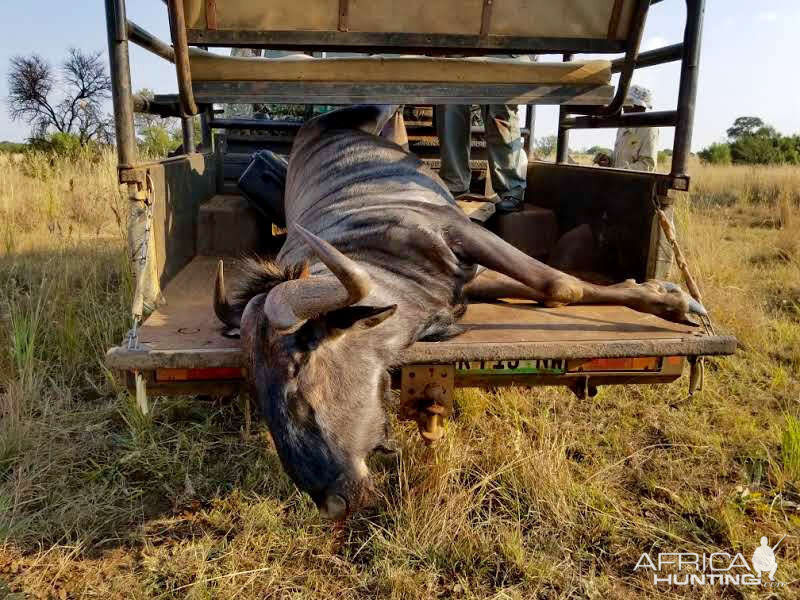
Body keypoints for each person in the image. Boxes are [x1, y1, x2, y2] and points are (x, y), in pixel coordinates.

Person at [435, 58, 531, 214]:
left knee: (499, 106)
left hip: (504, 53)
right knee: (449, 103)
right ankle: (455, 186)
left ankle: (511, 189)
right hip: (462, 54)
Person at [594, 85, 658, 171]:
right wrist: (609, 161)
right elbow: (621, 159)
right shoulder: (623, 127)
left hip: (632, 182)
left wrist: (621, 172)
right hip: (618, 179)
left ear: (639, 106)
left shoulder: (649, 129)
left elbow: (648, 165)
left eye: (627, 102)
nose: (623, 106)